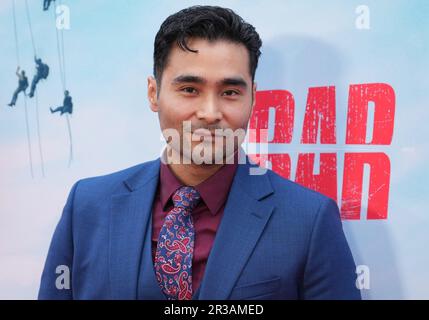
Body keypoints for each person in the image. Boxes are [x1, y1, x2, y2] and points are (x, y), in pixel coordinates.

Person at [38, 6, 361, 300]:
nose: (209, 112)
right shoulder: (89, 204)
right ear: (154, 93)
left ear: (253, 98)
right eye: (189, 89)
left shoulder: (309, 219)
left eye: (230, 92)